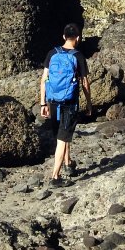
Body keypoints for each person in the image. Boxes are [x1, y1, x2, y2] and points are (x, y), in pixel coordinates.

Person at [40, 23, 92, 185]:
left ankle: (68, 163)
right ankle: (55, 177)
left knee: (62, 135)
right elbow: (85, 82)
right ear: (78, 38)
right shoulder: (78, 56)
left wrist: (43, 104)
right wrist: (89, 103)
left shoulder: (52, 53)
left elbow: (44, 80)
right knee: (63, 138)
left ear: (63, 37)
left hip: (53, 101)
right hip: (69, 103)